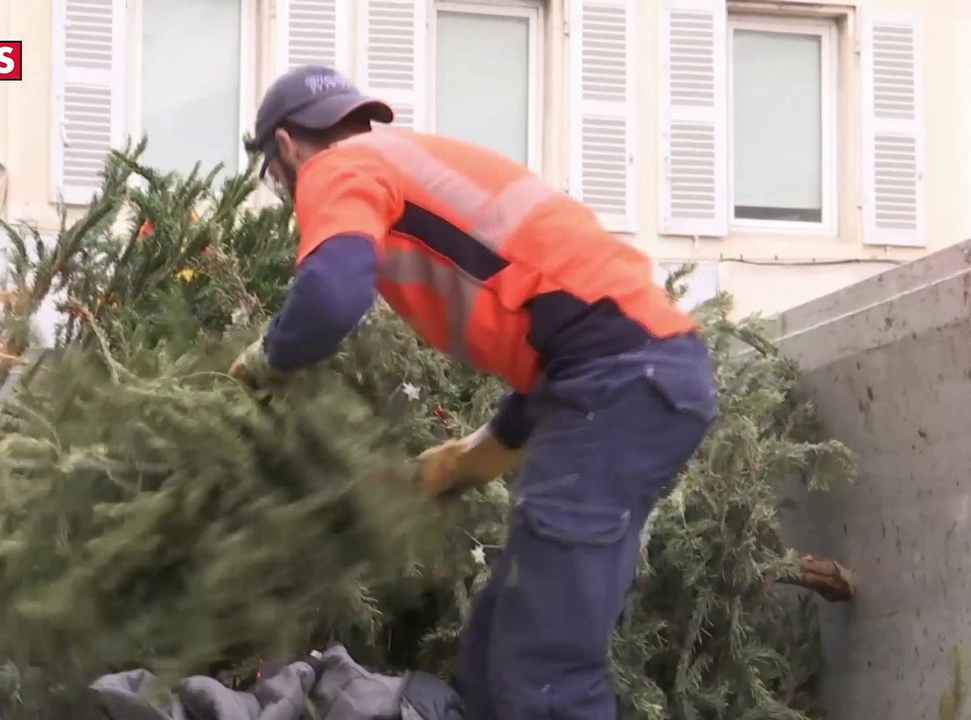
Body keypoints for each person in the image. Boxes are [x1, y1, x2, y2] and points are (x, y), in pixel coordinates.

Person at [229, 65, 720, 720]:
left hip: (621, 380)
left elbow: (331, 293)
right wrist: (460, 461)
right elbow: (557, 353)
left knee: (540, 670)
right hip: (622, 380)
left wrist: (269, 358)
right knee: (496, 651)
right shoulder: (404, 164)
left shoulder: (339, 167)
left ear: (286, 149)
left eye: (275, 175)